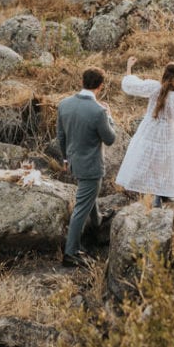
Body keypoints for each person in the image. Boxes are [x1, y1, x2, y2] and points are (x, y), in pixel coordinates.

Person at [115, 58, 174, 208]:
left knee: (148, 161)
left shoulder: (154, 87)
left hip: (149, 129)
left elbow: (131, 86)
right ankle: (161, 195)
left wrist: (129, 68)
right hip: (166, 133)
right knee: (165, 163)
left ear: (164, 74)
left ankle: (154, 195)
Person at [56, 66, 117, 267]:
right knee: (81, 208)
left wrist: (65, 159)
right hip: (91, 166)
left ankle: (98, 220)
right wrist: (109, 116)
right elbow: (110, 139)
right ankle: (71, 252)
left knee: (88, 195)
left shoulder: (64, 104)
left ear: (82, 81)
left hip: (74, 162)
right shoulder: (99, 111)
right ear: (100, 86)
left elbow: (61, 136)